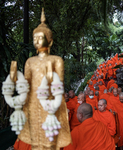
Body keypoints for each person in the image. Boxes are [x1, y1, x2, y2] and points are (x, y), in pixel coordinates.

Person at [14, 9, 71, 150]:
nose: (37, 41)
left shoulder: (57, 60)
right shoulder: (29, 61)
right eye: (35, 38)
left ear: (50, 42)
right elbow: (26, 83)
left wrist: (51, 79)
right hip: (32, 102)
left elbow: (60, 85)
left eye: (41, 38)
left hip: (49, 102)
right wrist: (17, 80)